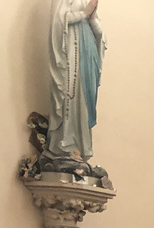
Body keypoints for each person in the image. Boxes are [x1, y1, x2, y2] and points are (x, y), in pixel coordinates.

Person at [44, 0, 106, 166]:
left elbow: (99, 34)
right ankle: (66, 145)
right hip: (71, 49)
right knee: (71, 95)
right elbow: (58, 22)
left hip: (88, 53)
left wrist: (92, 18)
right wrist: (83, 14)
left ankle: (81, 147)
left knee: (85, 100)